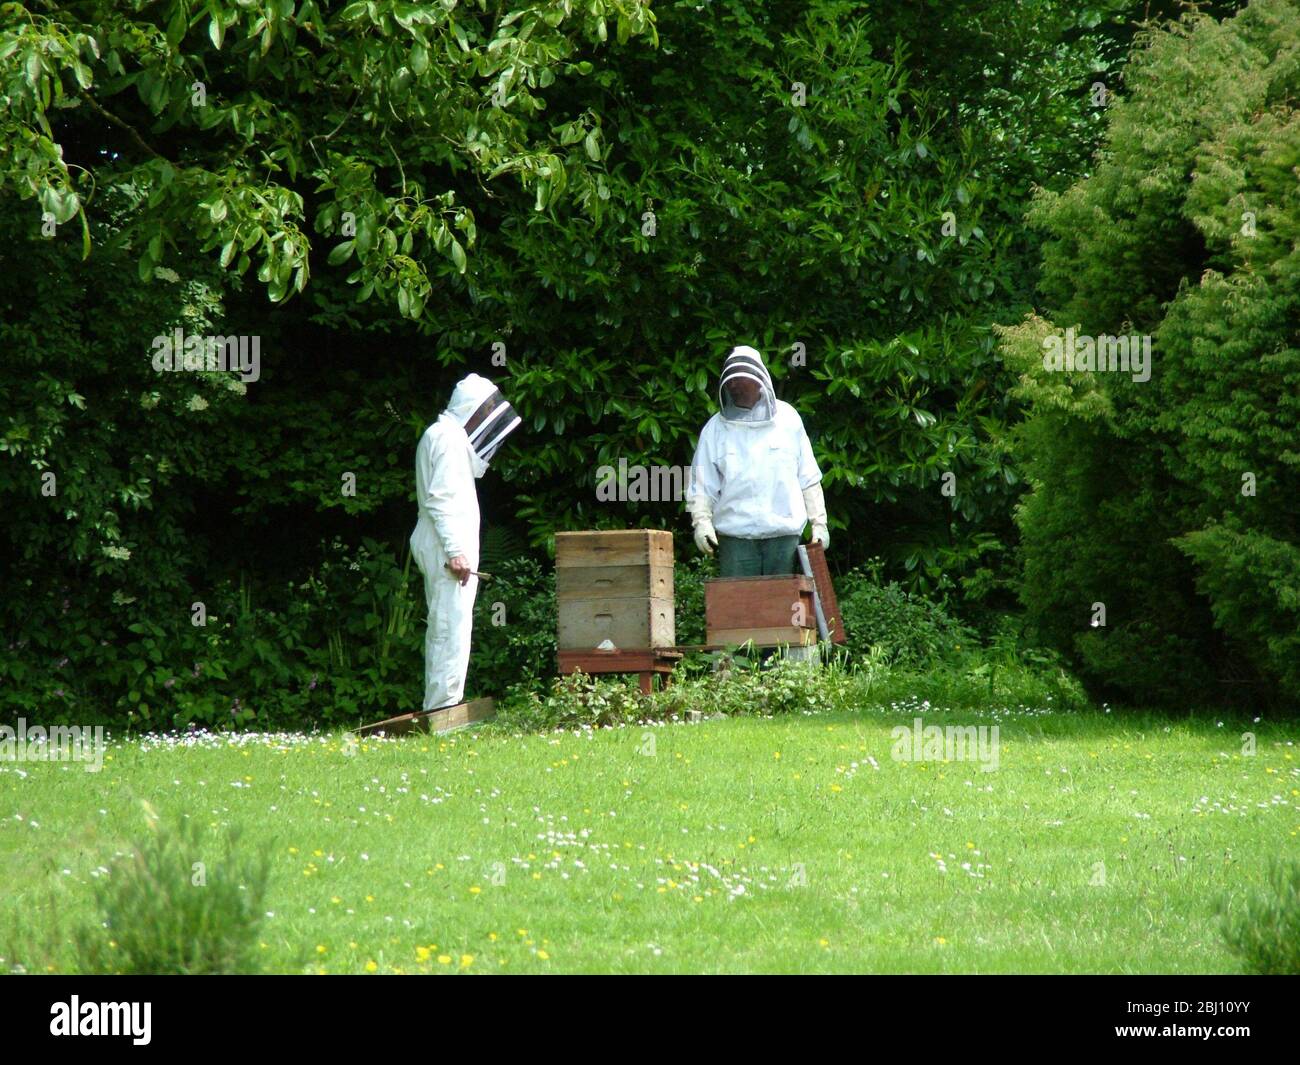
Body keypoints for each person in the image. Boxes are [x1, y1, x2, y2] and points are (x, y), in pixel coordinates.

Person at [409, 373, 520, 710]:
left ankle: (446, 706)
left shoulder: (446, 438)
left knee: (453, 628)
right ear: (472, 411)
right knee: (448, 629)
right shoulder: (445, 438)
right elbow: (440, 498)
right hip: (446, 552)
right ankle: (441, 711)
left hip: (447, 550)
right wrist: (456, 552)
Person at [687, 345, 828, 576]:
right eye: (731, 381)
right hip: (736, 540)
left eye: (741, 379)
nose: (735, 386)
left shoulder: (788, 420)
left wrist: (819, 524)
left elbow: (808, 477)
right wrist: (701, 522)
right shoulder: (715, 430)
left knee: (783, 608)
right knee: (740, 609)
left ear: (758, 380)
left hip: (784, 537)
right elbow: (702, 485)